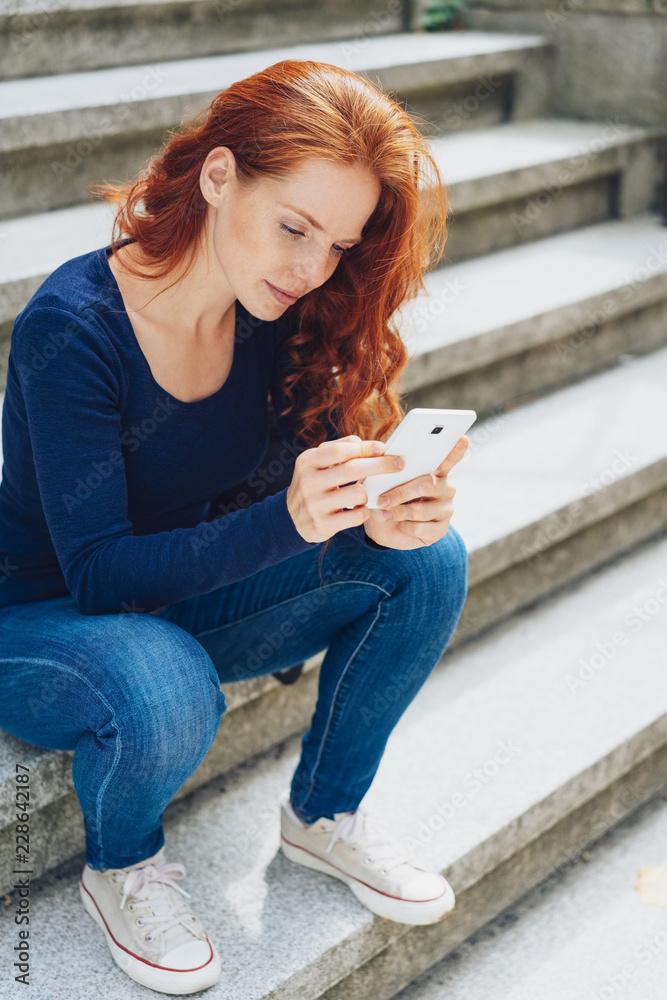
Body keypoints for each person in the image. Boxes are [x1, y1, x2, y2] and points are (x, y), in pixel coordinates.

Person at [0, 58, 469, 994]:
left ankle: (324, 816)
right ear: (218, 177)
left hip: (178, 598)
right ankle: (123, 867)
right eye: (294, 226)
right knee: (165, 679)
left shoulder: (273, 310)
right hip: (42, 621)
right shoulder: (72, 326)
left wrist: (375, 500)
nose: (309, 266)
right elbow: (96, 577)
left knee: (423, 562)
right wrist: (290, 523)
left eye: (336, 244)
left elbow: (290, 504)